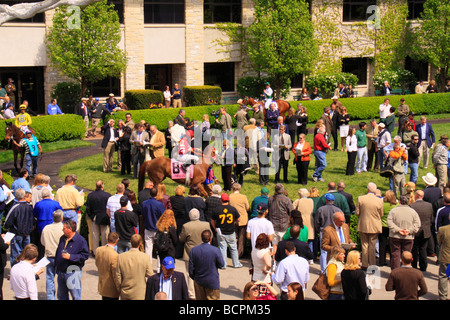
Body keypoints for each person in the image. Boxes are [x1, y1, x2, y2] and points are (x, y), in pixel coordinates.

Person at [179, 208, 212, 299]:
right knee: (204, 271)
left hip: (190, 253)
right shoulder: (206, 224)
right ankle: (203, 291)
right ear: (199, 216)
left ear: (189, 217)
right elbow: (211, 236)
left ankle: (192, 294)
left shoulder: (186, 226)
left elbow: (181, 239)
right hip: (204, 252)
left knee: (190, 274)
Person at [54, 220, 90, 300]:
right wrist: (56, 267)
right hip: (61, 272)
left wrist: (71, 257)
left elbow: (85, 256)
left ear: (69, 229)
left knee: (75, 296)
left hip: (72, 272)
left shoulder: (80, 241)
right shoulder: (62, 238)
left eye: (64, 228)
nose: (62, 230)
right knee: (61, 296)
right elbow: (58, 252)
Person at [114, 234, 153, 300]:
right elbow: (150, 275)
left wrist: (119, 288)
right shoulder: (145, 257)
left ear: (131, 242)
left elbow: (117, 276)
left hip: (125, 292)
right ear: (140, 243)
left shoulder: (121, 257)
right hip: (139, 293)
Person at [387, 194, 421, 270]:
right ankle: (406, 271)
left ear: (399, 201)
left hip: (395, 236)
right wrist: (409, 231)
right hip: (408, 237)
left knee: (395, 254)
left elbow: (389, 222)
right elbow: (417, 224)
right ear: (408, 201)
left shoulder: (393, 211)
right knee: (407, 254)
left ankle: (395, 272)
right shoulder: (413, 212)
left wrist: (398, 230)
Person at [355, 182, 384, 270]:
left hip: (363, 224)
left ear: (367, 189)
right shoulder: (379, 200)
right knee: (372, 245)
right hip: (374, 225)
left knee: (364, 245)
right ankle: (372, 264)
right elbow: (381, 214)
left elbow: (357, 213)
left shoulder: (361, 198)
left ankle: (364, 264)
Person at [189, 229, 225, 300]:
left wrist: (195, 277)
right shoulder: (215, 250)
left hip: (199, 280)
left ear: (201, 238)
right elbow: (222, 264)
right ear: (210, 239)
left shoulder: (194, 250)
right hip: (212, 281)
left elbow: (191, 268)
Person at [4, 188, 34, 267]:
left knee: (16, 254)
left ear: (16, 196)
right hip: (27, 234)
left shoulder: (15, 207)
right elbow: (33, 220)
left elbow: (7, 222)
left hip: (17, 233)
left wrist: (7, 228)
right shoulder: (29, 207)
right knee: (27, 254)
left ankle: (15, 270)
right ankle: (26, 269)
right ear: (24, 196)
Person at [211, 193, 242, 269]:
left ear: (221, 200)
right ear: (228, 200)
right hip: (231, 231)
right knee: (233, 248)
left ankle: (223, 264)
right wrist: (234, 222)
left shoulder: (216, 209)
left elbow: (212, 221)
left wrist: (215, 228)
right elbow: (238, 219)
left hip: (220, 231)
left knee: (222, 248)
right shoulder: (232, 209)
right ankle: (236, 263)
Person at [40, 210, 64, 300]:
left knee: (49, 278)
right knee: (61, 279)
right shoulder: (63, 228)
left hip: (49, 255)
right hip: (61, 257)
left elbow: (42, 242)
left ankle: (50, 297)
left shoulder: (46, 228)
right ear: (61, 218)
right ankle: (61, 296)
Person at [85, 180, 111, 255]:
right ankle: (104, 252)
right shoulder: (107, 195)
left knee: (95, 235)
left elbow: (88, 208)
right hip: (104, 217)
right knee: (104, 235)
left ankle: (95, 252)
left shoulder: (90, 195)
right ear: (102, 186)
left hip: (95, 217)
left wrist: (92, 216)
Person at [409, 190, 433, 272]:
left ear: (416, 195)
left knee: (415, 248)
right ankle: (423, 266)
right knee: (423, 249)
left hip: (416, 230)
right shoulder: (429, 205)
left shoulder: (412, 206)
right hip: (426, 230)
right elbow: (431, 218)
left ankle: (414, 265)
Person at [141, 187, 166, 266]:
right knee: (159, 248)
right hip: (157, 229)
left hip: (148, 227)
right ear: (157, 194)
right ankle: (159, 267)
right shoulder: (159, 204)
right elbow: (162, 217)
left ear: (149, 194)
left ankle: (148, 266)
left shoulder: (144, 203)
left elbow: (143, 214)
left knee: (148, 248)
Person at [267, 183, 293, 251]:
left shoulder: (270, 199)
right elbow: (292, 212)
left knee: (274, 245)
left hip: (273, 226)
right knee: (283, 246)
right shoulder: (287, 200)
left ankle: (274, 260)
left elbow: (268, 210)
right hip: (283, 226)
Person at [95, 232, 120, 300]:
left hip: (102, 286)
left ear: (107, 239)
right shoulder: (115, 255)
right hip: (111, 289)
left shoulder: (98, 250)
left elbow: (97, 263)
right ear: (116, 241)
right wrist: (119, 287)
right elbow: (115, 274)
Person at [229, 183, 250, 258]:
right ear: (239, 189)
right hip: (243, 219)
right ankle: (239, 254)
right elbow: (247, 208)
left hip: (233, 219)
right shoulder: (243, 197)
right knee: (242, 238)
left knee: (234, 237)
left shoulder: (230, 197)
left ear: (232, 189)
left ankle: (233, 253)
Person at [437, 221, 450, 300]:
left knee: (443, 276)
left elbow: (439, 242)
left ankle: (443, 296)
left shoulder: (442, 229)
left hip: (445, 256)